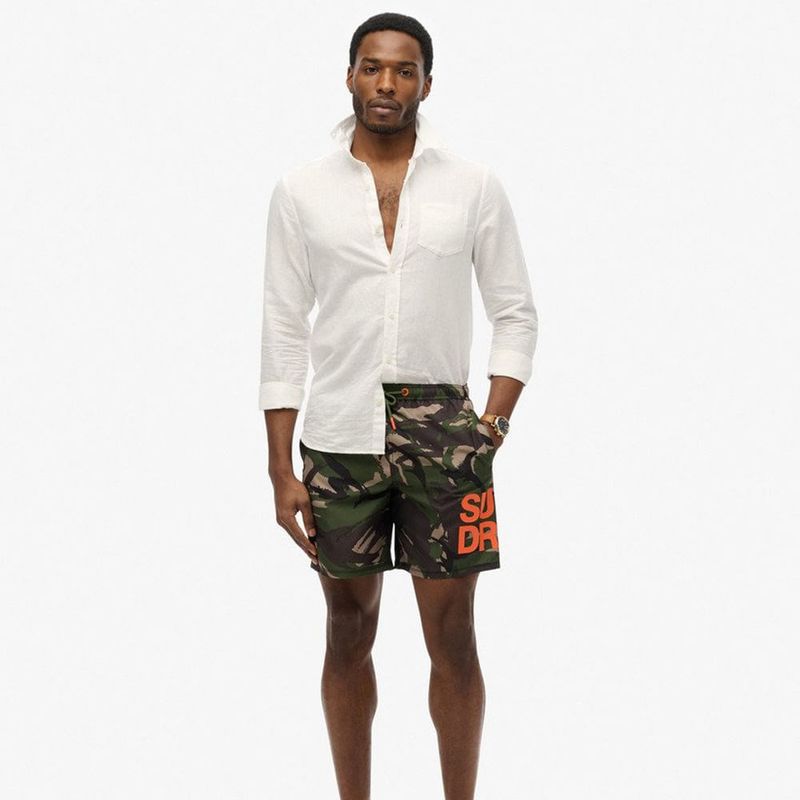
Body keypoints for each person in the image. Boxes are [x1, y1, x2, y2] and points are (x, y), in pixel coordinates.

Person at [258, 12, 538, 800]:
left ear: (426, 83)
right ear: (350, 76)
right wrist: (280, 467)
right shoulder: (301, 190)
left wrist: (492, 424)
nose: (387, 83)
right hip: (338, 434)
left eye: (404, 70)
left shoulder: (472, 184)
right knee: (347, 630)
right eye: (373, 67)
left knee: (455, 636)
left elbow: (516, 313)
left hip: (446, 432)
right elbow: (283, 329)